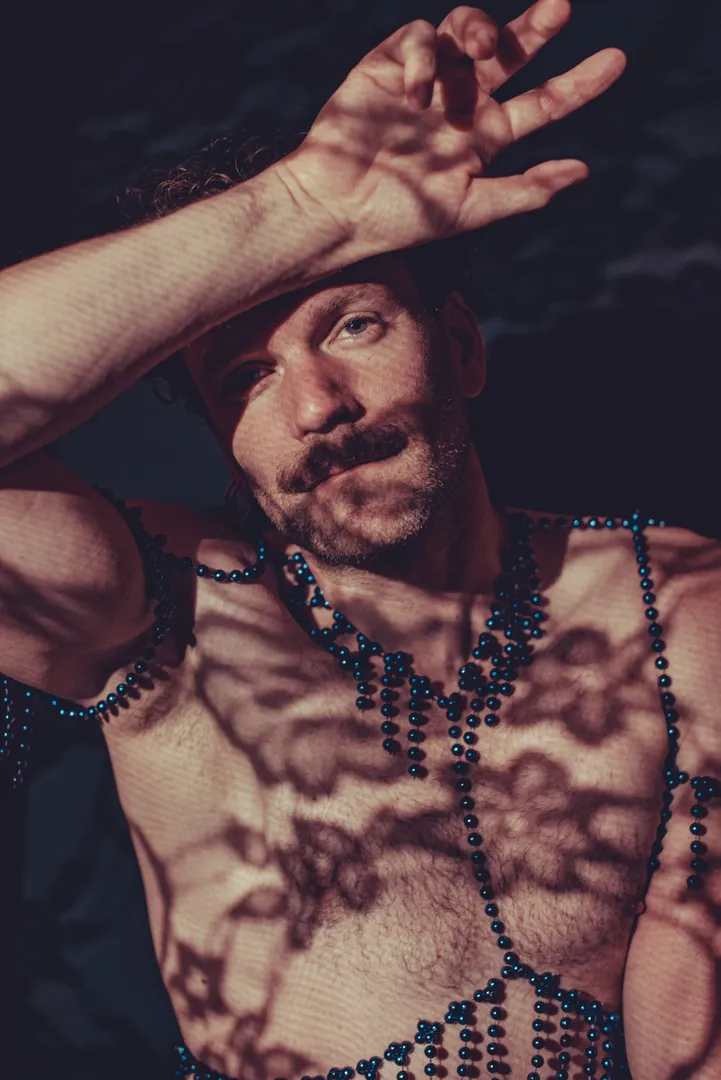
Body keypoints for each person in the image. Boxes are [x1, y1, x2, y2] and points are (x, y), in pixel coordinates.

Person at [1, 2, 719, 1078]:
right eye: (245, 379)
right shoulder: (162, 621)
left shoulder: (671, 602)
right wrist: (301, 210)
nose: (318, 406)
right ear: (219, 438)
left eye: (353, 325)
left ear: (460, 347)